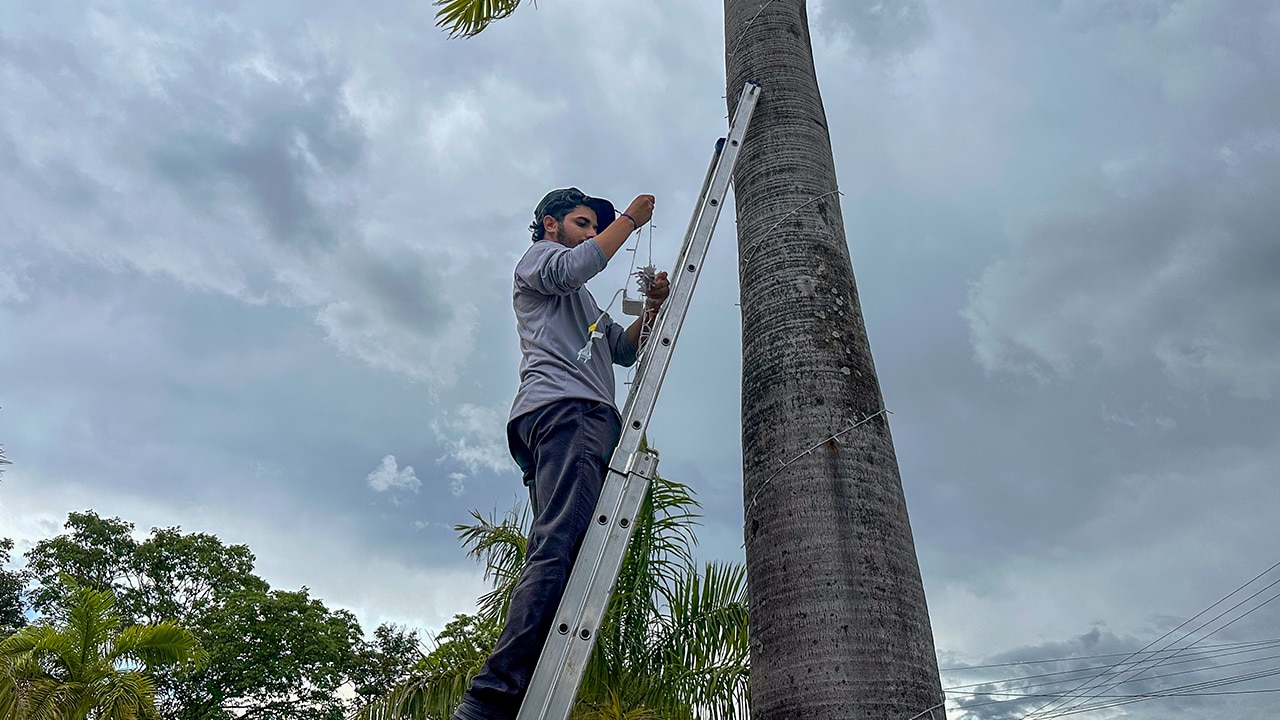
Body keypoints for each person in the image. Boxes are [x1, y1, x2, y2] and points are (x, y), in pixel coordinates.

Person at [451, 188, 668, 720]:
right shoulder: (540, 261)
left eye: (597, 226)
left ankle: (513, 692)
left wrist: (654, 305)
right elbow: (578, 267)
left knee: (562, 550)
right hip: (566, 411)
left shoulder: (583, 301)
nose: (592, 233)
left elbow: (621, 349)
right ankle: (491, 699)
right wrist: (630, 222)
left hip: (573, 416)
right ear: (551, 225)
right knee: (558, 549)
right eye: (582, 223)